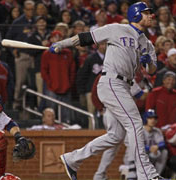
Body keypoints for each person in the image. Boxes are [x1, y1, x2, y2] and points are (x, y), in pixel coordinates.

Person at [49, 2, 164, 180]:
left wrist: (148, 61)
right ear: (136, 14)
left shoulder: (147, 43)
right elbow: (86, 37)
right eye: (147, 13)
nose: (151, 16)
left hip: (125, 86)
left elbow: (152, 70)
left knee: (115, 136)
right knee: (135, 124)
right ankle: (147, 175)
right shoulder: (117, 29)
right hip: (111, 81)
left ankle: (73, 159)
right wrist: (62, 44)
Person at [142, 109, 168, 175]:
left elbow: (163, 143)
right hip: (142, 155)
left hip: (152, 154)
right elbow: (136, 146)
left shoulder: (157, 130)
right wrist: (149, 148)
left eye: (154, 118)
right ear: (145, 119)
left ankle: (156, 175)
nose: (153, 120)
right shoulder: (140, 130)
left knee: (164, 152)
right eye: (150, 118)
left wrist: (157, 146)